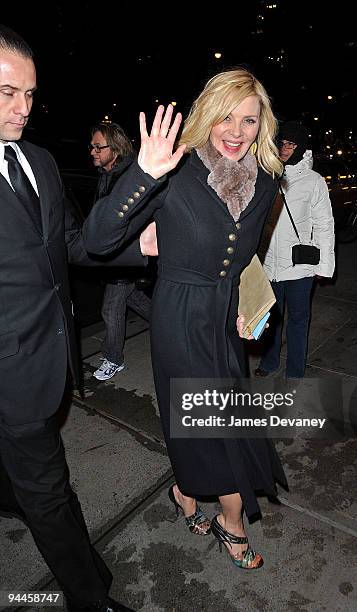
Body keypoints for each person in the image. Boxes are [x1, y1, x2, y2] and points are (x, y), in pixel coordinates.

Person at [83, 68, 289, 570]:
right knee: (212, 428)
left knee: (220, 423)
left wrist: (254, 309)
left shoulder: (264, 181)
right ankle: (232, 520)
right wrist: (144, 175)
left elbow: (244, 259)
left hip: (224, 320)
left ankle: (184, 489)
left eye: (247, 119)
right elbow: (95, 241)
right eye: (225, 117)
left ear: (261, 125)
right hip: (178, 315)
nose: (236, 131)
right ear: (206, 116)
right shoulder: (174, 169)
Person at [0, 25, 148, 611]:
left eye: (31, 95)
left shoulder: (38, 160)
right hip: (10, 374)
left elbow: (71, 244)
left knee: (29, 482)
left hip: (50, 357)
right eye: (7, 92)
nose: (23, 109)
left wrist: (144, 244)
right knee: (52, 492)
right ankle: (93, 599)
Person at [255, 120, 335, 379]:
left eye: (291, 143)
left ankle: (295, 369)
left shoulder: (313, 181)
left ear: (301, 147)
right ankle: (269, 363)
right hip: (268, 264)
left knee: (299, 320)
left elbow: (324, 225)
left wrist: (324, 267)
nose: (284, 148)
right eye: (281, 142)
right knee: (271, 319)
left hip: (300, 266)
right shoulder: (266, 175)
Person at [89, 122, 151, 381]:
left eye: (97, 147)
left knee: (111, 307)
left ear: (114, 149)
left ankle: (114, 358)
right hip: (115, 256)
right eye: (92, 146)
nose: (92, 151)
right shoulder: (107, 175)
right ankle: (171, 322)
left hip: (127, 255)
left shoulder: (126, 177)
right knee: (133, 299)